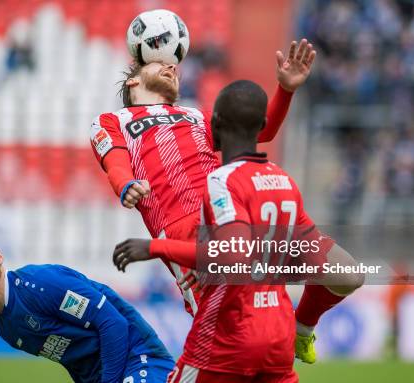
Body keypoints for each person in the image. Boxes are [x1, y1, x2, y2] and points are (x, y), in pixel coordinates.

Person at [112, 80, 364, 382]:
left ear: (214, 126)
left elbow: (231, 257)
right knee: (346, 273)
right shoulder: (281, 178)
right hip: (275, 334)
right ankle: (301, 328)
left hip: (230, 331)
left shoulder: (219, 178)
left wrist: (157, 249)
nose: (170, 67)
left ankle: (302, 328)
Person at [90, 40, 316, 319]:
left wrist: (286, 89)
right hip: (180, 228)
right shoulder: (113, 120)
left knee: (265, 311)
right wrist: (126, 184)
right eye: (158, 64)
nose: (172, 66)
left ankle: (298, 333)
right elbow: (115, 162)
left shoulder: (196, 115)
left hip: (230, 216)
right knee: (221, 323)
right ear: (134, 82)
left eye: (173, 65)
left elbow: (260, 131)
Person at [0, 225, 174, 383]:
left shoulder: (41, 284)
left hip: (139, 358)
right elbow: (72, 360)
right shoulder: (7, 329)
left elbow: (113, 323)